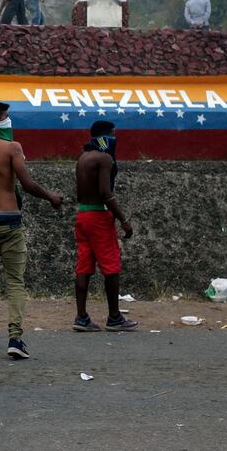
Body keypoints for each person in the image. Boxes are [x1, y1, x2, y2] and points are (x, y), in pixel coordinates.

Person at [0, 102, 64, 359]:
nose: (9, 118)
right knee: (14, 281)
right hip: (10, 222)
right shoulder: (12, 148)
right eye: (6, 115)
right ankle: (15, 338)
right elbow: (26, 184)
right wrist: (50, 196)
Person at [72, 121, 138, 333]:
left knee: (84, 267)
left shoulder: (83, 158)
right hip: (99, 216)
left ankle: (81, 317)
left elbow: (80, 193)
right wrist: (123, 220)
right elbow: (105, 192)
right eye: (113, 134)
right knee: (111, 268)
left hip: (83, 214)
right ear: (107, 135)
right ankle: (115, 318)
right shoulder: (105, 158)